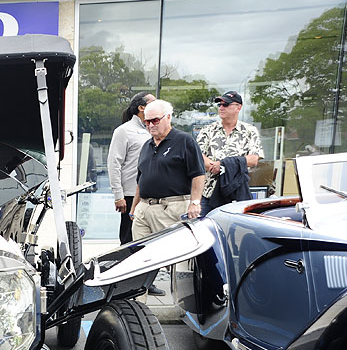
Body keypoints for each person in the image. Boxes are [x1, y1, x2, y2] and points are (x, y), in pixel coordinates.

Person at [131, 99, 205, 295]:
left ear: (168, 117)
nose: (150, 125)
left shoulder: (184, 140)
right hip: (144, 208)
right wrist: (134, 208)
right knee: (139, 259)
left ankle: (184, 304)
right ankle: (138, 304)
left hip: (171, 207)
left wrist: (195, 202)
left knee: (176, 261)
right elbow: (141, 178)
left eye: (155, 120)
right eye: (146, 122)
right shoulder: (146, 145)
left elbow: (198, 174)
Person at [197, 91, 264, 216]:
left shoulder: (250, 131)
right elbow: (198, 156)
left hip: (236, 194)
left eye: (226, 104)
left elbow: (254, 159)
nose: (221, 108)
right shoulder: (208, 130)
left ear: (238, 107)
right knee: (204, 226)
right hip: (209, 194)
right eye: (220, 105)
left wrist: (224, 165)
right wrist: (215, 166)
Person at [108, 92, 155, 245]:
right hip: (130, 194)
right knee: (129, 240)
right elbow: (114, 163)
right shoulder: (124, 130)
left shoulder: (154, 130)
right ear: (142, 107)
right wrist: (118, 196)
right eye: (153, 103)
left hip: (152, 194)